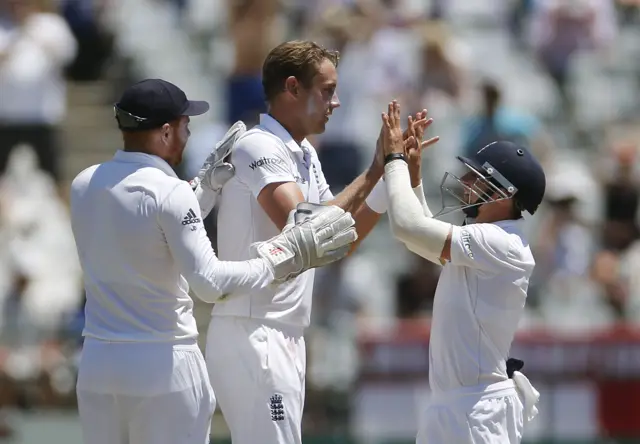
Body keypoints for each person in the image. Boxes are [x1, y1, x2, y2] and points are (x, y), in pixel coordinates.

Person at [69, 78, 358, 444]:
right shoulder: (170, 192)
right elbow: (210, 284)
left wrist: (202, 190)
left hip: (97, 365)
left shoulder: (83, 184)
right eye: (185, 125)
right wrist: (282, 256)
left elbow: (144, 228)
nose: (189, 134)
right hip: (163, 364)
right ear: (165, 132)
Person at [205, 40, 433, 444]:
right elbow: (303, 228)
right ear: (292, 88)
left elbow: (336, 243)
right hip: (253, 331)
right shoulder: (257, 145)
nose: (337, 102)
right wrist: (375, 169)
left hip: (285, 333)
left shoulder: (306, 154)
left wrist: (389, 173)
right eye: (327, 90)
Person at [379, 100, 543, 443]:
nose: (466, 181)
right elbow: (420, 239)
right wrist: (412, 174)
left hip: (477, 410)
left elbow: (408, 228)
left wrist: (392, 159)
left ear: (505, 193)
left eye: (479, 177)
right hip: (458, 407)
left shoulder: (502, 242)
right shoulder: (489, 241)